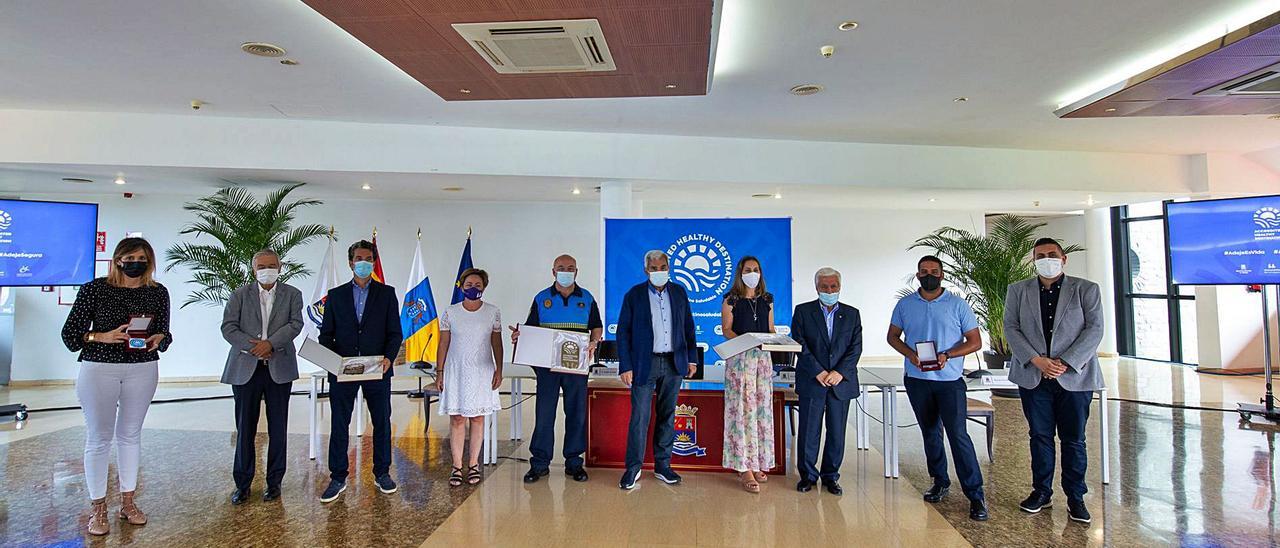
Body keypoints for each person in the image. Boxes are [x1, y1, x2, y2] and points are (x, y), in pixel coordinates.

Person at [60, 237, 173, 536]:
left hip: (142, 368)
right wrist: (101, 336)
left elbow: (165, 331)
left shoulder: (157, 292)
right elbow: (71, 335)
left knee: (130, 436)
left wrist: (160, 338)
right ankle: (97, 508)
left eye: (142, 258)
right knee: (99, 437)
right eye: (130, 257)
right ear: (118, 259)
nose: (136, 263)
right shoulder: (94, 289)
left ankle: (128, 502)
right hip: (99, 368)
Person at [1004, 237, 1104, 524]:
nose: (1046, 259)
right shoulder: (1018, 291)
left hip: (1074, 376)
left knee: (1074, 439)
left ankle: (1076, 497)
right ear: (1033, 260)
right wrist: (1037, 360)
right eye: (1040, 255)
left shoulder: (1086, 289)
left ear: (1063, 259)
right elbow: (1011, 327)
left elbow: (1094, 330)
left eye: (1051, 254)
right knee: (1040, 436)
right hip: (1034, 376)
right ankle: (1041, 492)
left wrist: (1065, 362)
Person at [887, 255, 988, 521]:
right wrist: (910, 354)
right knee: (930, 433)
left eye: (934, 271)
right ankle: (939, 481)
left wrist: (949, 355)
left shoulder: (957, 304)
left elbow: (974, 341)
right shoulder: (905, 304)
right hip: (918, 380)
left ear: (942, 274)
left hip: (949, 382)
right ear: (917, 275)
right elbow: (893, 336)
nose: (928, 274)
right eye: (923, 271)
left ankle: (975, 494)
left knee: (958, 436)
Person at [318, 240, 403, 503]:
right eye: (358, 258)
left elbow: (394, 333)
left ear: (374, 262)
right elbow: (326, 335)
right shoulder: (335, 295)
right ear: (350, 262)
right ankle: (338, 477)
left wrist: (389, 358)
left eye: (368, 258)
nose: (363, 262)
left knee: (381, 423)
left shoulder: (387, 294)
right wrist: (334, 362)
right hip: (344, 371)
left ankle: (382, 473)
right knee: (340, 424)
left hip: (378, 369)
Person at [220, 249, 304, 505]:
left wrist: (270, 344)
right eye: (261, 266)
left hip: (279, 368)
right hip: (246, 368)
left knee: (278, 428)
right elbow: (228, 327)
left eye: (271, 265)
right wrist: (253, 346)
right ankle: (242, 485)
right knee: (245, 428)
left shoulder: (292, 294)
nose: (267, 269)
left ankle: (274, 482)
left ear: (280, 267)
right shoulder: (239, 295)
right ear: (253, 269)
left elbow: (295, 324)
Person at [509, 255, 602, 484]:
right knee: (544, 415)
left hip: (576, 367)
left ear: (577, 272)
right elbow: (530, 330)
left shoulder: (587, 298)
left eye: (570, 268)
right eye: (561, 268)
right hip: (547, 369)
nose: (566, 271)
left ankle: (573, 463)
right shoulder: (542, 298)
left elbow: (596, 327)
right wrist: (519, 337)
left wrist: (594, 342)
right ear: (553, 272)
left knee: (576, 415)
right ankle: (539, 464)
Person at [616, 250, 698, 490]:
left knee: (667, 416)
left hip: (674, 363)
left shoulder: (679, 292)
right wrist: (626, 365)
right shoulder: (634, 295)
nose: (659, 272)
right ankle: (633, 469)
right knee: (640, 417)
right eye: (654, 268)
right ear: (646, 271)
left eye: (663, 267)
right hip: (644, 362)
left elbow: (688, 328)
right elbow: (623, 333)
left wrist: (691, 359)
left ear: (668, 267)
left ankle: (663, 466)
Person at [790, 267, 861, 496]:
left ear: (839, 287)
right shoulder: (803, 311)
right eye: (824, 287)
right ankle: (808, 476)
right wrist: (819, 372)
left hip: (841, 382)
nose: (829, 291)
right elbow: (800, 343)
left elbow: (855, 348)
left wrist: (839, 372)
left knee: (837, 432)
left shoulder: (852, 314)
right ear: (816, 288)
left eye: (833, 287)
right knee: (809, 431)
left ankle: (831, 476)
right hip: (813, 380)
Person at [436, 268, 503, 487]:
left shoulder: (492, 312)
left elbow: (496, 343)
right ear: (461, 286)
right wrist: (440, 371)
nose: (473, 288)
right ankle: (456, 466)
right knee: (457, 418)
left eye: (477, 285)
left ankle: (473, 464)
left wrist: (499, 369)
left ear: (484, 287)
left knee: (478, 418)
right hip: (456, 370)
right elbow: (443, 343)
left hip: (482, 371)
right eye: (469, 284)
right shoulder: (450, 312)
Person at [720, 256, 776, 493]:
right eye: (747, 270)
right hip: (740, 361)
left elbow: (771, 329)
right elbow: (726, 330)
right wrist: (747, 342)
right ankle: (744, 467)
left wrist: (774, 341)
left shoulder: (767, 300)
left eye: (755, 270)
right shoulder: (730, 299)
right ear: (740, 273)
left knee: (761, 413)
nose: (752, 273)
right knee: (742, 414)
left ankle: (758, 461)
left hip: (762, 362)